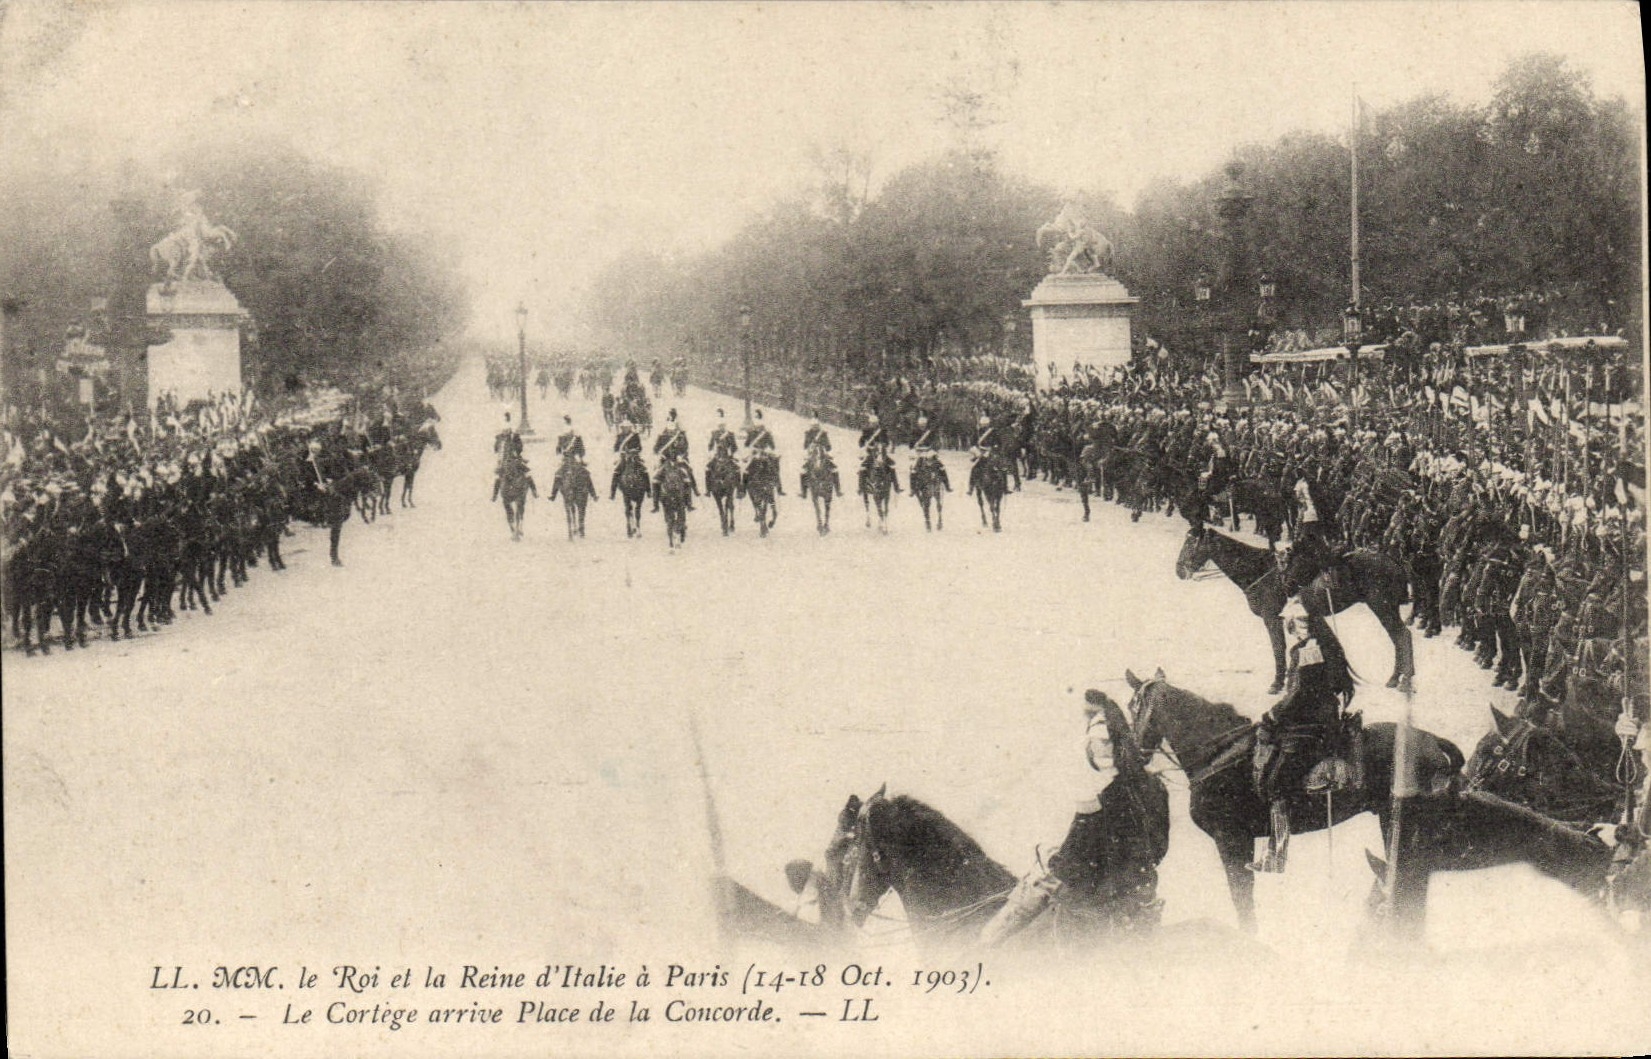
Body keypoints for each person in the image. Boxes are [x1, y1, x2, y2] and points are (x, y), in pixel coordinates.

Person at [978, 689, 1170, 945]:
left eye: (1103, 742)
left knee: (995, 933)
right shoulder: (1154, 786)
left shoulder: (1097, 795)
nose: (1098, 748)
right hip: (1141, 899)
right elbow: (1158, 849)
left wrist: (1049, 859)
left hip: (1094, 906)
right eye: (1096, 741)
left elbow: (1071, 865)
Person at [1249, 602, 1355, 873]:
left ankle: (1277, 856)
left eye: (1294, 624)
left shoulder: (1312, 650)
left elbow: (1301, 692)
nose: (1292, 628)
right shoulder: (1305, 647)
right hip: (1304, 716)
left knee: (1277, 783)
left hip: (1314, 721)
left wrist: (1274, 713)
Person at [652, 409, 697, 511]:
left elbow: (685, 448)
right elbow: (655, 449)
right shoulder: (662, 437)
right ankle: (655, 504)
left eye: (673, 429)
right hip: (665, 461)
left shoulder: (680, 436)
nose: (671, 431)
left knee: (687, 475)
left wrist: (681, 455)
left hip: (678, 461)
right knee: (655, 478)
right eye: (669, 429)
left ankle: (689, 502)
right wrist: (661, 455)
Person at [856, 413, 900, 495]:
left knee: (892, 465)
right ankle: (861, 487)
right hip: (871, 454)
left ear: (877, 423)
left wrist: (882, 445)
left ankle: (896, 487)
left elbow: (886, 442)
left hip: (881, 453)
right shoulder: (866, 431)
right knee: (862, 467)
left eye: (875, 423)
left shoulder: (882, 431)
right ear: (869, 423)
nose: (873, 425)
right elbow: (861, 441)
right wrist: (864, 447)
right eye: (872, 423)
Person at [744, 409, 784, 495]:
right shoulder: (751, 433)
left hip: (764, 453)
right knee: (746, 470)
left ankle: (779, 489)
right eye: (757, 427)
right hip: (754, 453)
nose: (759, 428)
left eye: (760, 427)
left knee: (774, 469)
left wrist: (767, 450)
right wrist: (752, 449)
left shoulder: (767, 434)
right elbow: (746, 444)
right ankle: (742, 490)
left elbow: (772, 446)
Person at [909, 413, 951, 492]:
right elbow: (911, 444)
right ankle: (912, 489)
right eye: (921, 425)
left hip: (929, 452)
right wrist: (914, 446)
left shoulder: (930, 432)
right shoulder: (915, 432)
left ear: (926, 424)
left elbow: (936, 442)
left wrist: (933, 448)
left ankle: (947, 485)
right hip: (919, 453)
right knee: (913, 469)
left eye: (924, 425)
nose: (922, 426)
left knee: (941, 466)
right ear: (918, 425)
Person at [802, 415, 842, 497]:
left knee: (834, 470)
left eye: (816, 426)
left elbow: (829, 446)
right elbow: (805, 446)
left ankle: (838, 490)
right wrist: (811, 445)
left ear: (819, 426)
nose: (815, 427)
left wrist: (823, 446)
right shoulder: (808, 433)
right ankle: (804, 492)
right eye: (813, 426)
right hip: (812, 454)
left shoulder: (823, 434)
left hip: (822, 454)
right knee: (803, 471)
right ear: (811, 426)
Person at [609, 418, 643, 499]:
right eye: (624, 427)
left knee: (644, 470)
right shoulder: (619, 436)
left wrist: (634, 450)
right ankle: (612, 493)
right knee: (616, 472)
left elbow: (640, 448)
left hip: (634, 456)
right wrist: (621, 452)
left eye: (627, 427)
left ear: (630, 427)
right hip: (623, 457)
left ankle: (648, 491)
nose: (626, 428)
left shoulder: (635, 436)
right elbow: (615, 448)